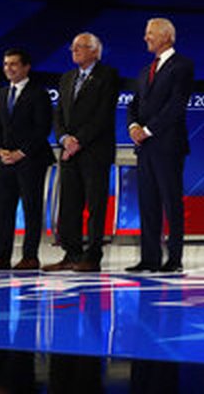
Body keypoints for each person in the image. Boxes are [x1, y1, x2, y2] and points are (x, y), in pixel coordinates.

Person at [44, 32, 120, 273]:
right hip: (69, 152)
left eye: (81, 47)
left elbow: (103, 114)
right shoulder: (67, 78)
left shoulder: (107, 75)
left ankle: (92, 255)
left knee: (95, 204)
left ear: (95, 51)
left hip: (95, 150)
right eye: (73, 47)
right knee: (69, 204)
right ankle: (71, 253)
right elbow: (59, 115)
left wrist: (80, 140)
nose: (74, 50)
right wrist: (65, 138)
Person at [126, 19, 195, 273]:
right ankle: (149, 258)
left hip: (168, 145)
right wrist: (133, 127)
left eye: (150, 34)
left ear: (166, 36)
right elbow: (134, 104)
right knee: (148, 202)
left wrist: (147, 130)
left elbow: (176, 105)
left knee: (171, 202)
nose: (146, 38)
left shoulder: (183, 66)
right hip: (145, 148)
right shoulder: (146, 71)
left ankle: (174, 259)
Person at [0, 49, 55, 271]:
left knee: (31, 208)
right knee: (3, 208)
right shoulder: (0, 94)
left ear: (25, 67)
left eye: (13, 64)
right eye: (5, 64)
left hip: (31, 160)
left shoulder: (38, 93)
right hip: (5, 160)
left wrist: (22, 152)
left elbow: (42, 128)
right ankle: (0, 255)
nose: (8, 68)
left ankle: (30, 256)